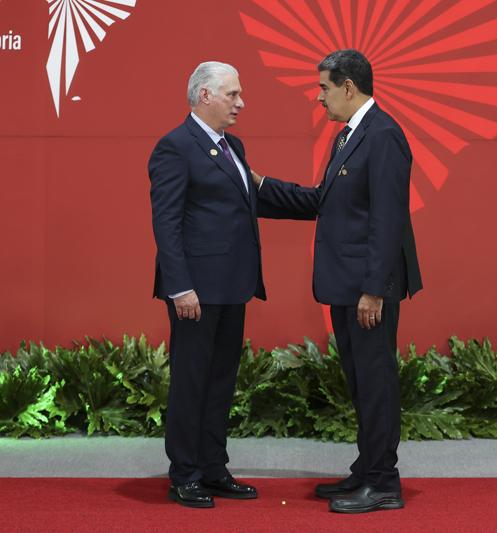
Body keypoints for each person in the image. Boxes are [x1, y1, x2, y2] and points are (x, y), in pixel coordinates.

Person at [252, 49, 422, 514]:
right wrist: (259, 187)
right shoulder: (349, 136)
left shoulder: (383, 135)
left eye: (324, 88)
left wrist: (374, 289)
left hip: (368, 288)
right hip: (348, 285)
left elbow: (388, 219)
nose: (319, 97)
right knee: (361, 382)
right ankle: (368, 469)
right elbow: (323, 202)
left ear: (349, 87)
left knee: (375, 383)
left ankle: (383, 482)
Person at [148, 61, 264, 509]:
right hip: (195, 291)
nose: (241, 103)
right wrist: (180, 287)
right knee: (191, 382)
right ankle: (185, 474)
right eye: (232, 94)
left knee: (220, 382)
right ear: (205, 96)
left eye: (240, 94)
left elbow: (247, 201)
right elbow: (167, 222)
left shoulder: (233, 146)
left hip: (232, 287)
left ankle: (214, 468)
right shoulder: (175, 147)